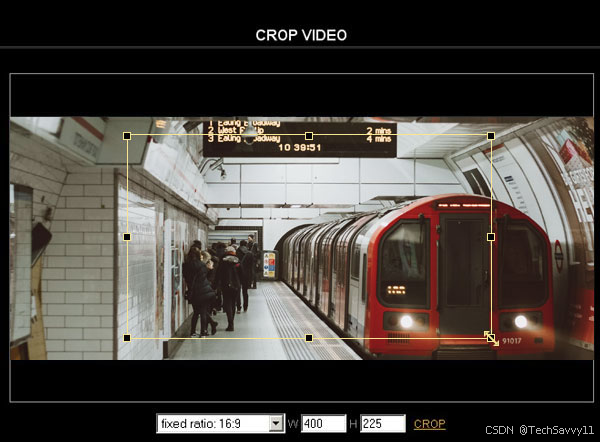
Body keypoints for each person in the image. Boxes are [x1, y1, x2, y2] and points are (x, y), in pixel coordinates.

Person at [185, 247, 218, 337]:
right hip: (204, 291)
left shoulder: (186, 265)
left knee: (196, 312)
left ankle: (192, 332)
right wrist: (210, 269)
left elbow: (187, 278)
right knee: (203, 311)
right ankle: (203, 332)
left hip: (193, 292)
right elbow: (205, 277)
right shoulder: (202, 265)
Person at [215, 246, 242, 331]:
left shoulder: (223, 262)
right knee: (233, 304)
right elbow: (242, 274)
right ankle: (232, 322)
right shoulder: (238, 261)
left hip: (226, 285)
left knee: (227, 304)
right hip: (236, 285)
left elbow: (218, 274)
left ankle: (230, 324)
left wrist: (215, 285)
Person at [236, 240, 253, 312]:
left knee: (238, 291)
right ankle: (245, 307)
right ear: (246, 245)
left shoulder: (236, 252)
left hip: (238, 274)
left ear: (240, 244)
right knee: (245, 291)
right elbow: (251, 266)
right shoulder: (249, 253)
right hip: (246, 274)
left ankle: (238, 307)